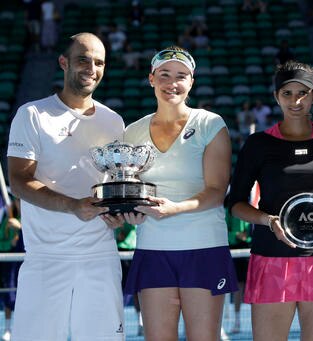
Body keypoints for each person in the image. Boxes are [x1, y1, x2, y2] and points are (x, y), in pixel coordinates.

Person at [228, 60, 313, 341]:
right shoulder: (257, 144)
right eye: (287, 93)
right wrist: (267, 220)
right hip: (271, 259)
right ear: (276, 97)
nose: (295, 100)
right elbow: (236, 203)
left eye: (303, 92)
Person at [7, 32, 126, 341]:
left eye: (99, 62)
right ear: (63, 62)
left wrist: (119, 214)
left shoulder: (114, 122)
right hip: (46, 258)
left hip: (101, 256)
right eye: (83, 59)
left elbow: (114, 184)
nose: (91, 68)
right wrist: (73, 206)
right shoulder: (31, 115)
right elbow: (19, 182)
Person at [122, 46, 238, 341]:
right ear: (151, 79)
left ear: (191, 82)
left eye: (181, 76)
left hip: (203, 246)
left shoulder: (211, 124)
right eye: (164, 75)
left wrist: (175, 208)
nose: (172, 82)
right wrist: (127, 212)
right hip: (153, 248)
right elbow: (130, 189)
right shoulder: (132, 133)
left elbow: (215, 191)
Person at [225, 207, 251, 334]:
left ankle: (259, 319)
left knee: (256, 286)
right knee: (238, 287)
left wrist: (249, 236)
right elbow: (225, 229)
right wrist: (236, 235)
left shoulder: (255, 200)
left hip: (254, 251)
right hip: (235, 251)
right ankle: (237, 321)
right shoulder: (229, 207)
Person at [0, 196, 23, 341]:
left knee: (23, 296)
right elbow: (3, 242)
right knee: (9, 295)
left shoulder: (29, 217)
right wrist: (10, 236)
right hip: (8, 264)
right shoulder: (6, 216)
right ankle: (8, 328)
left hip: (25, 264)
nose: (19, 202)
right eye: (18, 200)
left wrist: (20, 227)